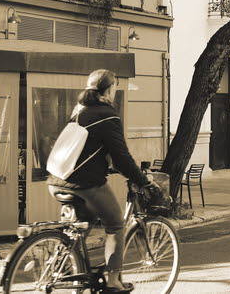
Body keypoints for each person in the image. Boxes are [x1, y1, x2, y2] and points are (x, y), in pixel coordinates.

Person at [47, 69, 157, 293]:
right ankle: (113, 281)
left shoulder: (80, 111)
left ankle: (62, 265)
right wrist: (142, 181)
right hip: (83, 182)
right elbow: (121, 157)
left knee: (82, 223)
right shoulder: (107, 114)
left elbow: (87, 148)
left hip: (56, 179)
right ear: (110, 89)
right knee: (115, 223)